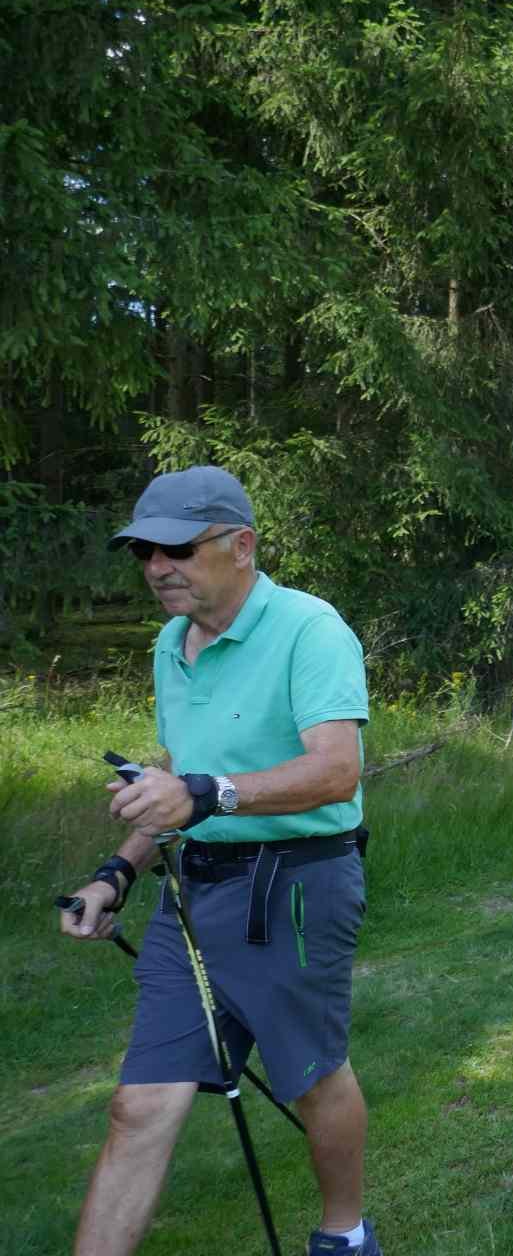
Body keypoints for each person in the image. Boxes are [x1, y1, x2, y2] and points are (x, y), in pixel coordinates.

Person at [58, 466, 382, 1255]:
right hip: (189, 896)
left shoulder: (311, 629)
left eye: (176, 548)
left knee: (312, 1076)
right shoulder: (172, 645)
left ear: (242, 545)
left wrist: (206, 795)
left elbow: (338, 769)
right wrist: (118, 870)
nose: (157, 567)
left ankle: (345, 1233)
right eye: (143, 551)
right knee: (139, 1106)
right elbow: (178, 773)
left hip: (297, 890)